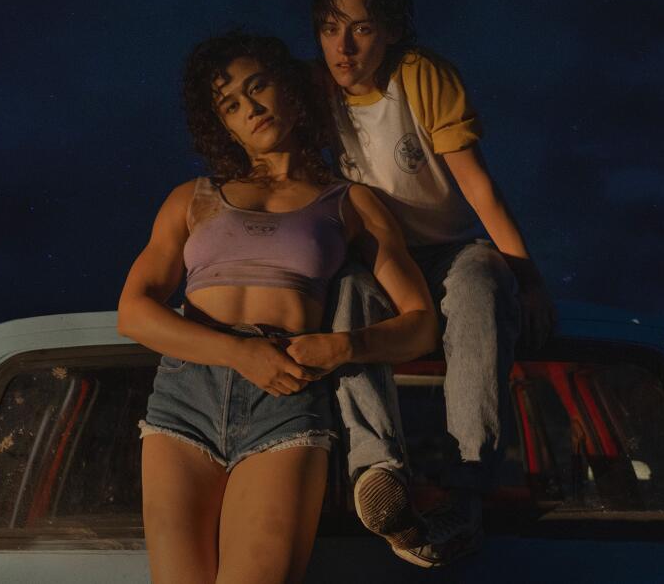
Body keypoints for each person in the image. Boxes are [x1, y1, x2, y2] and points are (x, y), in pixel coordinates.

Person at [116, 32, 438, 584]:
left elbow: (421, 324)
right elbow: (134, 312)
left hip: (284, 402)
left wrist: (344, 346)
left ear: (288, 88)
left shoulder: (350, 201)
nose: (252, 110)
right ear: (223, 125)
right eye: (232, 106)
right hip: (184, 397)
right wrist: (239, 353)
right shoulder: (192, 198)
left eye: (258, 87)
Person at [304, 0, 557, 567]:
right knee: (346, 300)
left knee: (478, 282)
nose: (344, 46)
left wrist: (527, 279)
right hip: (375, 257)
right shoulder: (312, 91)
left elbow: (479, 189)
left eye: (361, 28)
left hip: (445, 251)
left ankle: (464, 492)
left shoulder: (420, 77)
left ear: (389, 29)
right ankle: (377, 470)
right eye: (330, 27)